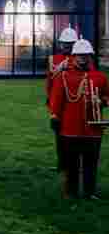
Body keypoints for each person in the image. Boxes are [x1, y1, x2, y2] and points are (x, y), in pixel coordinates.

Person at [49, 38, 107, 199]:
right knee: (71, 164)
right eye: (80, 55)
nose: (83, 58)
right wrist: (54, 115)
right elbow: (56, 99)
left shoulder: (100, 77)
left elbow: (107, 97)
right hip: (70, 128)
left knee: (91, 164)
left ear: (91, 56)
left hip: (93, 129)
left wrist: (101, 101)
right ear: (74, 56)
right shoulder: (63, 77)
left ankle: (89, 192)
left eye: (86, 55)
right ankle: (70, 192)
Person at [47, 27, 79, 172]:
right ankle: (62, 164)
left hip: (74, 102)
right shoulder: (54, 59)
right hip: (57, 103)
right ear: (60, 44)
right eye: (65, 43)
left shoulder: (81, 60)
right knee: (58, 135)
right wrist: (50, 102)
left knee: (73, 136)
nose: (67, 46)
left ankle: (73, 165)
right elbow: (49, 83)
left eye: (70, 43)